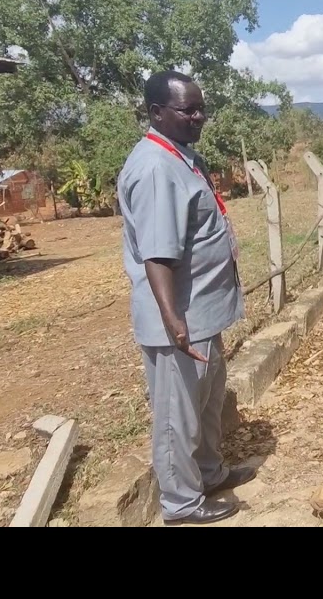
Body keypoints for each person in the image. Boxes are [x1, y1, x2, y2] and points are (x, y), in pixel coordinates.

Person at [118, 69, 254, 525]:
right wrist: (173, 319)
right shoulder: (156, 167)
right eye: (187, 109)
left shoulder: (182, 156)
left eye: (201, 108)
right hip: (179, 321)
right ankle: (181, 505)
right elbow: (157, 255)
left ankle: (211, 473)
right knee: (178, 416)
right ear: (157, 112)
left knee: (208, 402)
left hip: (203, 313)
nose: (199, 116)